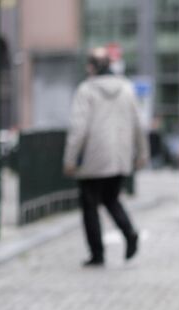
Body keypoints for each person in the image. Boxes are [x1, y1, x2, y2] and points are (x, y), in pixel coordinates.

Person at [63, 48, 148, 267]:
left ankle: (97, 253)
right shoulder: (127, 88)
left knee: (90, 205)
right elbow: (139, 124)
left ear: (91, 67)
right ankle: (129, 234)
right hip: (119, 157)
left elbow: (78, 128)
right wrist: (142, 153)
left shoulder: (86, 90)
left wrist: (70, 159)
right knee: (111, 199)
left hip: (93, 158)